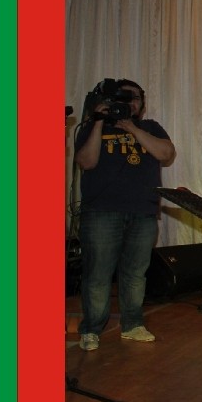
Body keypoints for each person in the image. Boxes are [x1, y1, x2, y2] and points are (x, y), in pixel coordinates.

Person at [74, 79, 176, 351]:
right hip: (101, 212)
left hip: (142, 212)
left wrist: (131, 128)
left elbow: (166, 154)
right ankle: (91, 329)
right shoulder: (93, 126)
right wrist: (99, 121)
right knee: (98, 274)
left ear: (142, 105)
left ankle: (132, 324)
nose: (129, 103)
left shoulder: (150, 127)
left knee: (135, 274)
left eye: (135, 98)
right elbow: (86, 162)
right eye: (124, 97)